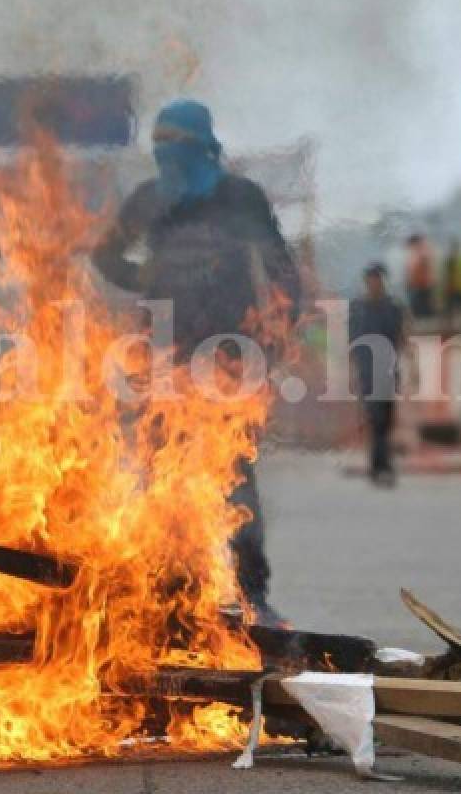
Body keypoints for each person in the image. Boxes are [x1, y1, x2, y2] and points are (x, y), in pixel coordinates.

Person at [91, 99, 300, 626]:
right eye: (161, 148)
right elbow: (104, 255)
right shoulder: (149, 199)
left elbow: (280, 268)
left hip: (229, 356)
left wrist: (276, 327)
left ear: (204, 144)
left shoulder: (239, 198)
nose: (170, 158)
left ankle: (254, 591)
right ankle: (172, 591)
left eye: (178, 145)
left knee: (234, 475)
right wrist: (146, 280)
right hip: (164, 355)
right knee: (163, 474)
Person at [349, 263, 406, 487]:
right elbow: (351, 341)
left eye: (377, 279)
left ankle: (381, 463)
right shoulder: (358, 308)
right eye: (371, 279)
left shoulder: (393, 307)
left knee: (387, 420)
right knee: (376, 419)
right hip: (368, 372)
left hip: (389, 370)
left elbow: (400, 336)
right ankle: (380, 466)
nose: (374, 284)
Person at [404, 234, 436, 319]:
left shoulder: (422, 251)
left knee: (423, 314)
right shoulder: (418, 251)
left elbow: (422, 266)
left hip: (422, 288)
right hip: (418, 287)